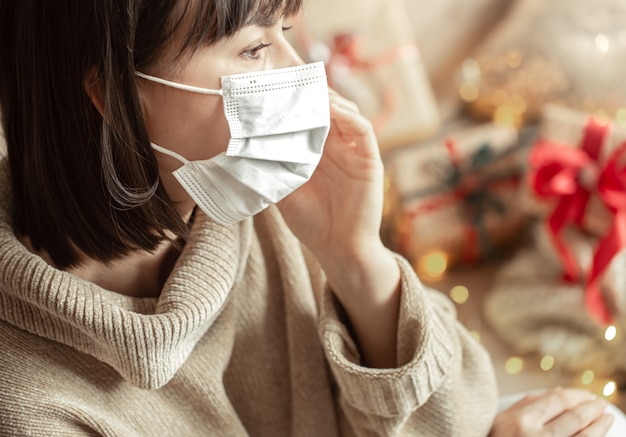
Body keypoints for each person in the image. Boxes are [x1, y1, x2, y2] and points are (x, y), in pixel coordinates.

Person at [0, 0, 617, 435]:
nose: (302, 74)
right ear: (111, 95)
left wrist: (356, 260)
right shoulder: (31, 409)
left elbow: (463, 417)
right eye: (256, 47)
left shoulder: (255, 203)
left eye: (288, 30)